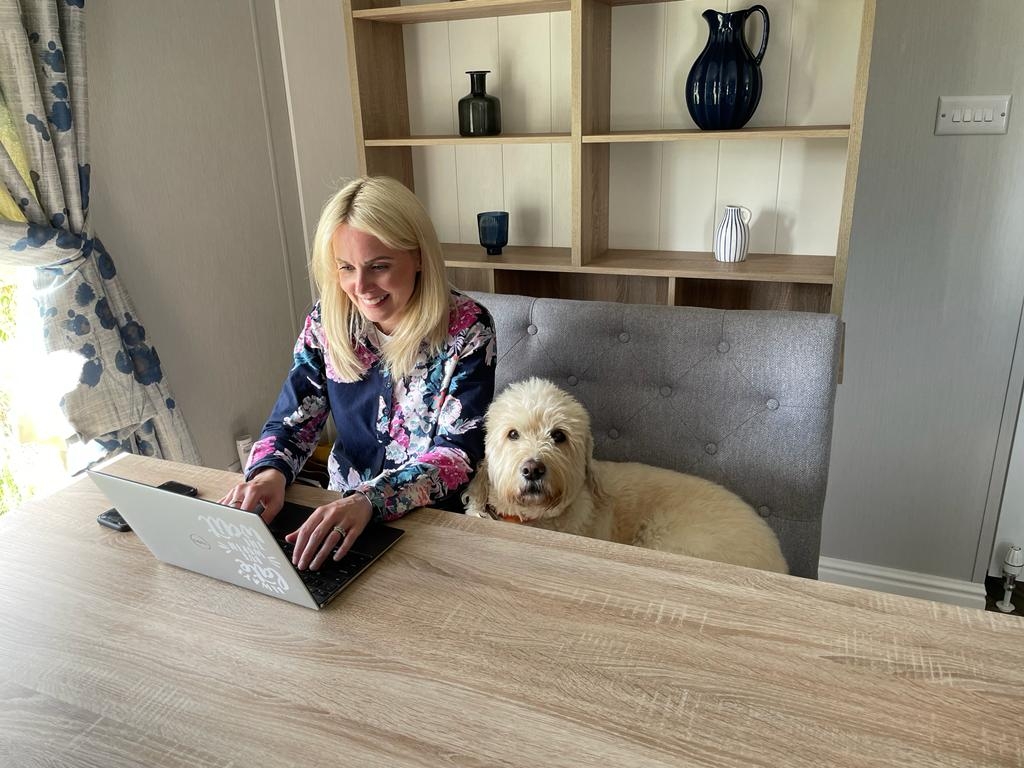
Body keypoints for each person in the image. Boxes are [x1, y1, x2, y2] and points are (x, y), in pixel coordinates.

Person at [220, 176, 496, 572]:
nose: (361, 286)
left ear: (419, 257)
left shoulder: (469, 328)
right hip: (337, 514)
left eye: (379, 266)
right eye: (346, 268)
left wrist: (370, 500)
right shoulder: (326, 322)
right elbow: (294, 420)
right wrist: (267, 474)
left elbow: (457, 454)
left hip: (432, 524)